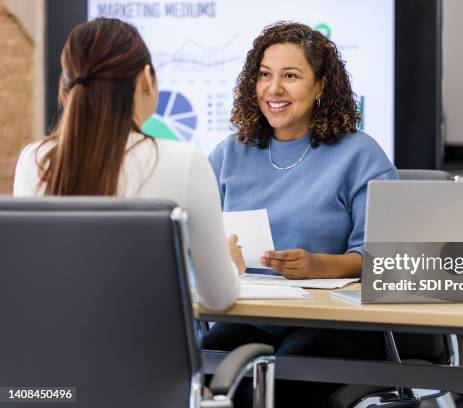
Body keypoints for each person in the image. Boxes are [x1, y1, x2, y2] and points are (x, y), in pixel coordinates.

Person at [204, 22, 399, 407]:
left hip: (339, 325)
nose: (273, 89)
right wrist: (216, 257)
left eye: (290, 76)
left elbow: (384, 261)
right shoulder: (229, 154)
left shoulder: (361, 155)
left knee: (271, 388)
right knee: (196, 374)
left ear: (321, 86)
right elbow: (193, 241)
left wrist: (316, 266)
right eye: (264, 75)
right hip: (250, 314)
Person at [12, 18, 242, 311]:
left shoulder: (33, 160)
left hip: (51, 355)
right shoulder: (183, 161)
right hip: (150, 357)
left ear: (67, 86)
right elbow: (219, 298)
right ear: (146, 78)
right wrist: (233, 266)